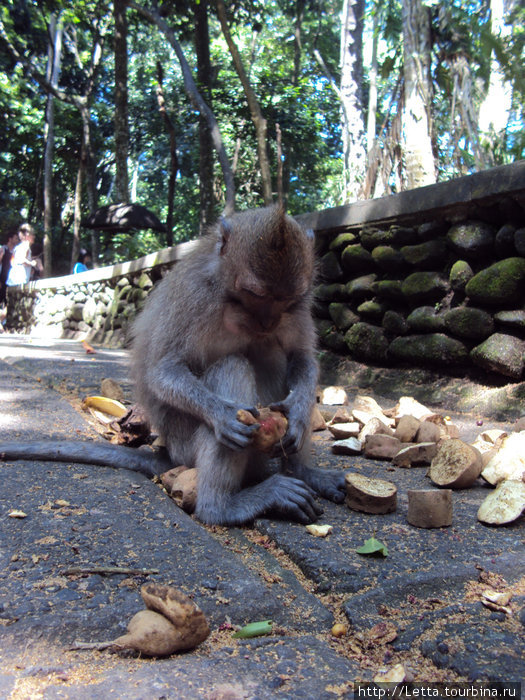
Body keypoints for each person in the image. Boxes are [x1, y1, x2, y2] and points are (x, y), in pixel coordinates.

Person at [0, 228, 20, 305]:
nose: (18, 240)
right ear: (10, 239)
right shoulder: (3, 249)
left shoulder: (17, 250)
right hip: (3, 279)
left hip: (12, 280)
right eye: (16, 238)